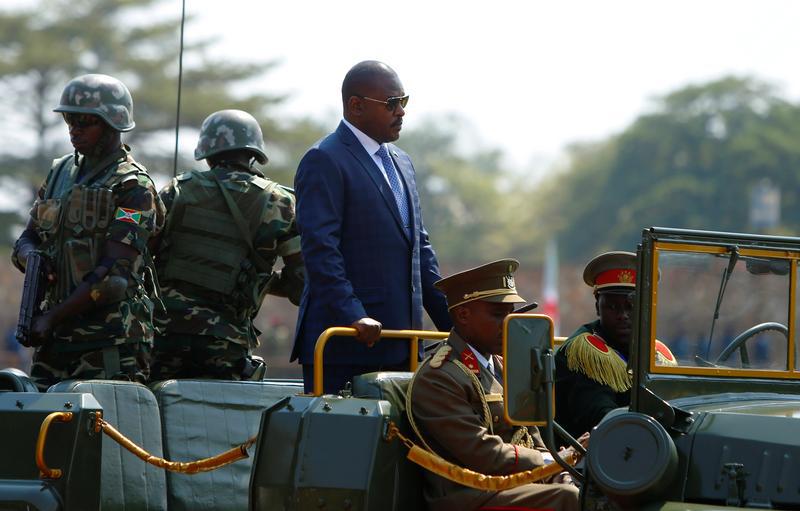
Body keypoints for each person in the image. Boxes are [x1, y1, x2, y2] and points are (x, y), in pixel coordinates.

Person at [292, 60, 451, 393]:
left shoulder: (402, 163)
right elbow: (320, 249)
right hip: (346, 344)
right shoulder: (325, 159)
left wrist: (456, 323)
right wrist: (353, 315)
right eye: (392, 103)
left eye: (403, 102)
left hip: (402, 344)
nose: (402, 112)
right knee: (340, 444)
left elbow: (419, 251)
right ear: (356, 106)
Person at [11, 74, 163, 391]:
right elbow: (27, 239)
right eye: (69, 119)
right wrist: (34, 259)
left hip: (108, 344)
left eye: (85, 121)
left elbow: (114, 277)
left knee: (106, 435)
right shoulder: (59, 173)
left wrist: (51, 318)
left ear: (113, 123)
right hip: (54, 342)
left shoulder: (134, 186)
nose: (73, 129)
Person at [409, 259, 584, 511]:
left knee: (590, 488)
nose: (509, 323)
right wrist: (554, 461)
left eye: (511, 313)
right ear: (463, 315)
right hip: (470, 494)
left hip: (510, 484)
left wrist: (558, 471)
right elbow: (482, 453)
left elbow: (530, 434)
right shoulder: (440, 376)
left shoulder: (502, 365)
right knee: (568, 498)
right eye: (498, 314)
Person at [150, 109, 304, 381]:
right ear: (254, 153)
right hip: (226, 341)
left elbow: (144, 254)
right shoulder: (279, 202)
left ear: (207, 153)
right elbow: (301, 284)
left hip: (163, 334)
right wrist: (260, 281)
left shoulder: (177, 190)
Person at [554, 251, 676, 438]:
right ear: (597, 306)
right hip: (591, 457)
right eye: (612, 307)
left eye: (631, 307)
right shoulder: (584, 351)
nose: (622, 316)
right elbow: (599, 415)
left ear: (645, 308)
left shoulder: (659, 353)